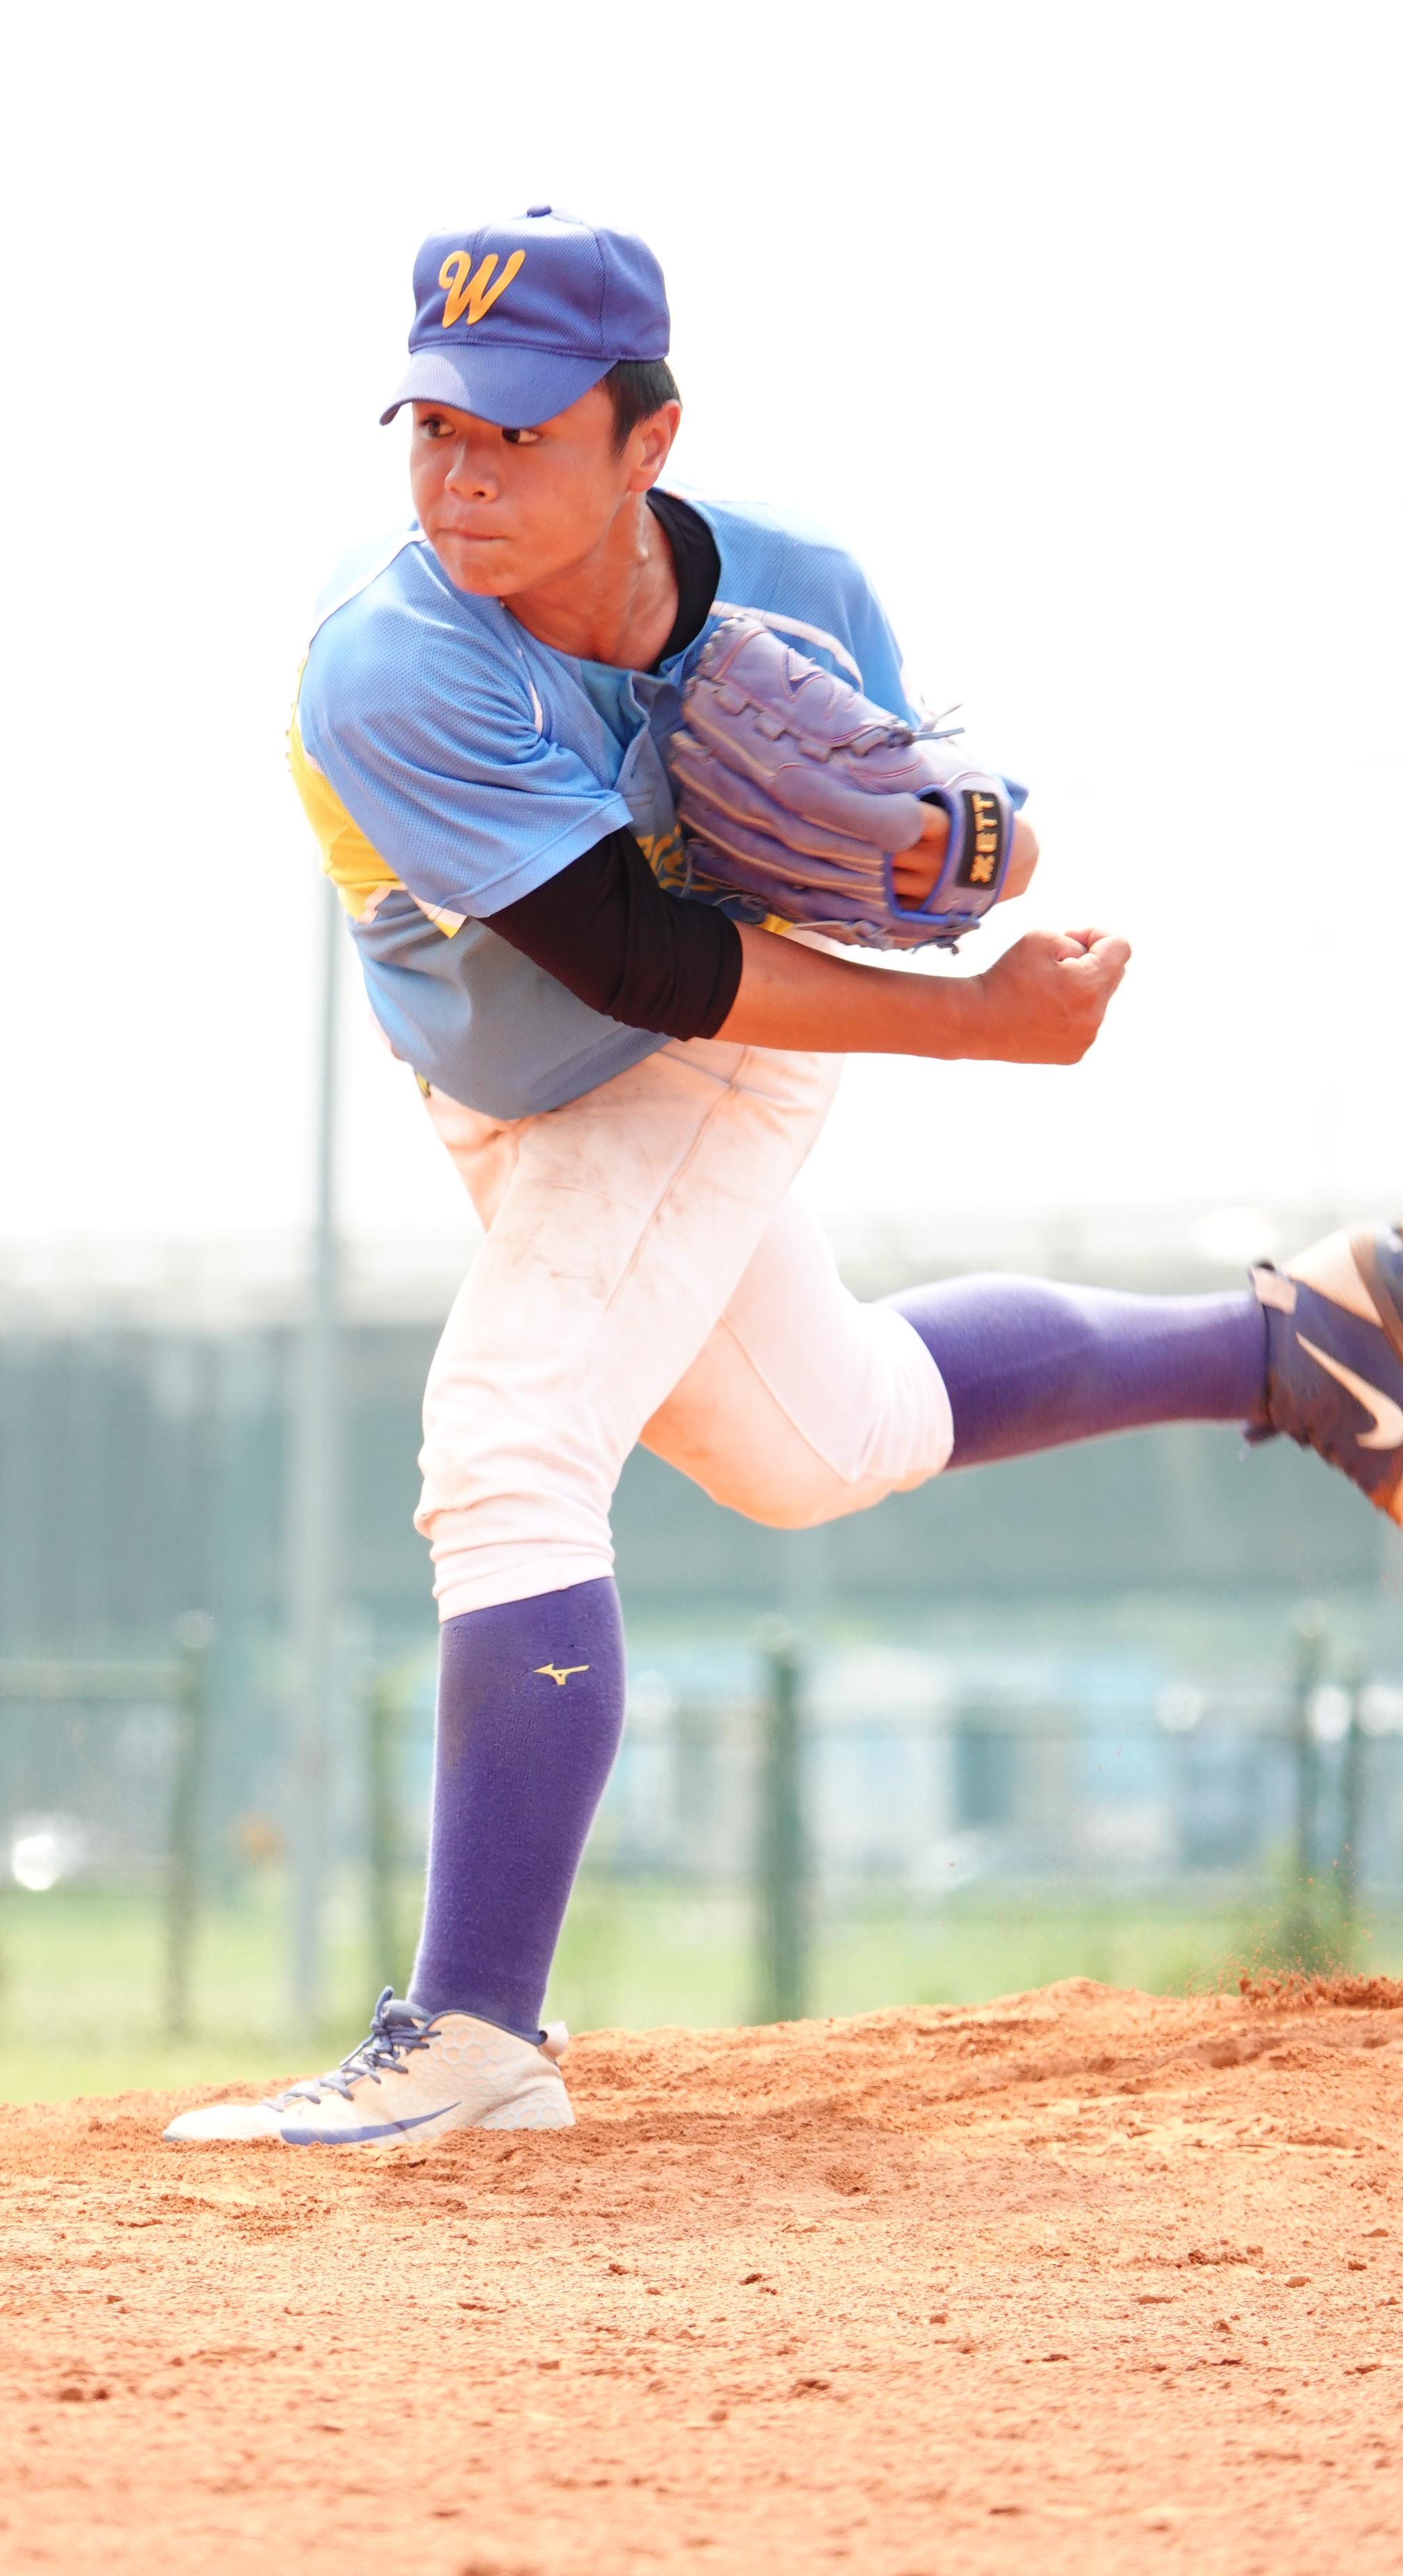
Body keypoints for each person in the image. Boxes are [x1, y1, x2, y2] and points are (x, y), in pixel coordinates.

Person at [165, 207, 1403, 2149]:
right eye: (435, 427)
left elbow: (907, 868)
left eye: (517, 432)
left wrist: (950, 866)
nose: (463, 475)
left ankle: (474, 2033)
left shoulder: (800, 584)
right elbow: (623, 954)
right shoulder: (392, 662)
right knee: (822, 1443)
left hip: (719, 1042)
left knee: (507, 1442)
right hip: (559, 1053)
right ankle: (1299, 1343)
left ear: (646, 439)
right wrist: (982, 1026)